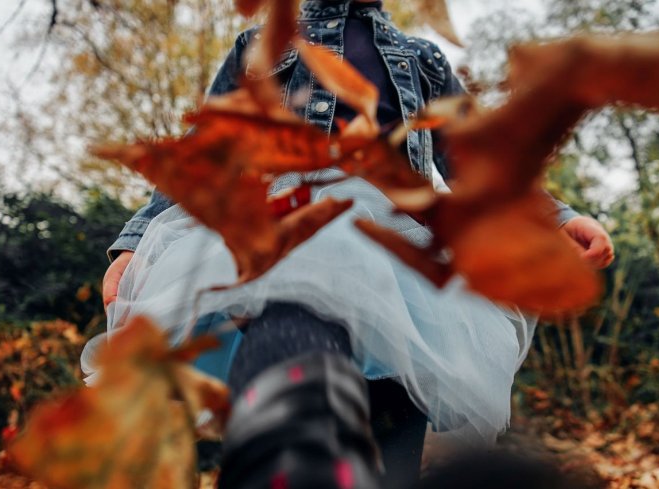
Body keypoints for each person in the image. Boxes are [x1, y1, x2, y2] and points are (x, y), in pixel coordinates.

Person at [85, 1, 614, 487]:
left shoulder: (420, 59)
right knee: (291, 374)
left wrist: (557, 219)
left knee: (394, 421)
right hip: (289, 240)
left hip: (398, 260)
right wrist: (134, 243)